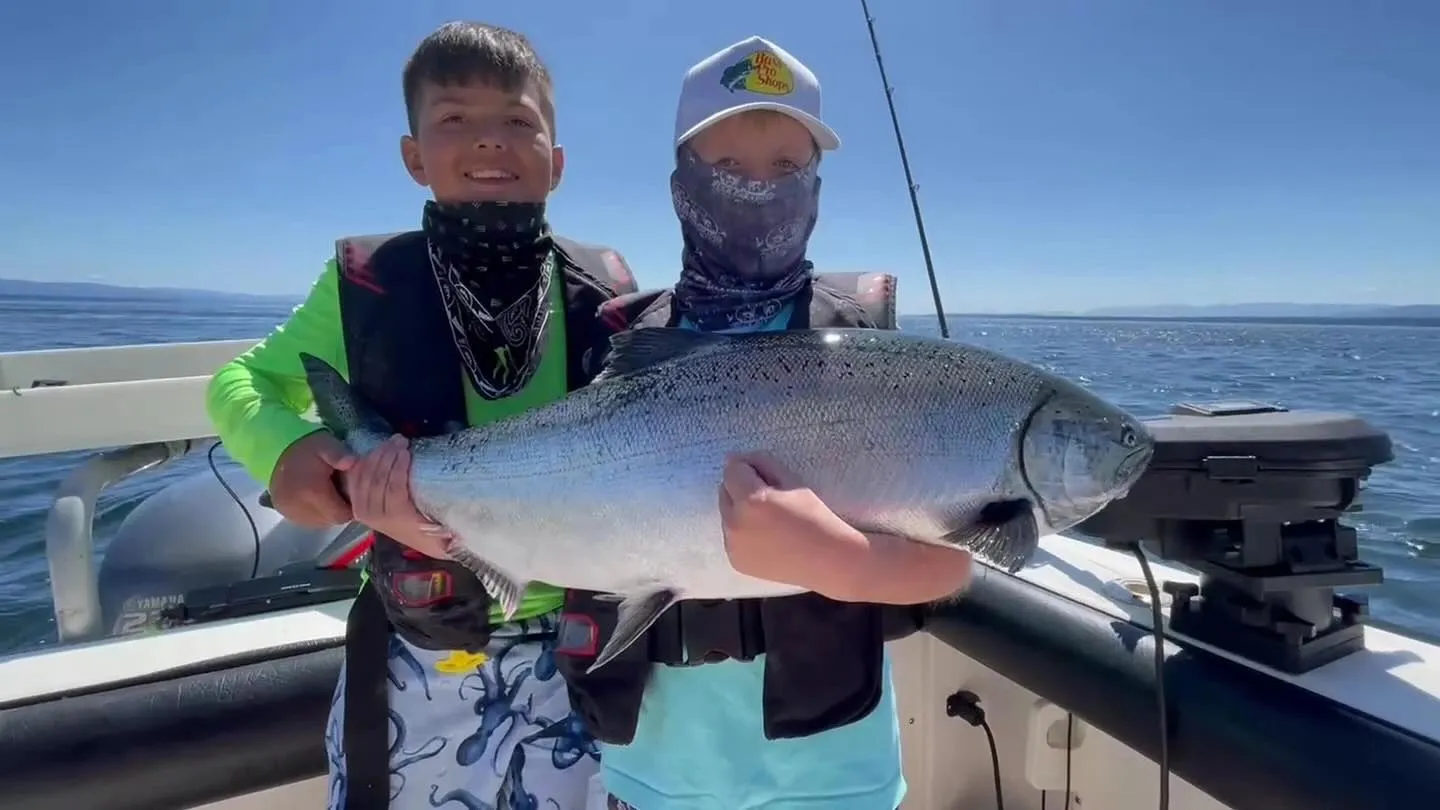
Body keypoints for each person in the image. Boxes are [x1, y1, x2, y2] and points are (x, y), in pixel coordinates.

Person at [205, 21, 639, 810]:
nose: (489, 140)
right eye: (454, 119)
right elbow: (245, 381)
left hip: (589, 645)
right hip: (417, 644)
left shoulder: (609, 290)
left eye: (517, 120)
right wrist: (288, 451)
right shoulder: (364, 284)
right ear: (413, 157)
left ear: (557, 160)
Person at [553, 36, 975, 810]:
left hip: (836, 776)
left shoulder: (871, 350)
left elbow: (954, 561)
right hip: (654, 772)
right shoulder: (619, 344)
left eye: (785, 166)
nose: (758, 189)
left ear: (816, 185)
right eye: (728, 166)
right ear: (681, 184)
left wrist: (846, 564)